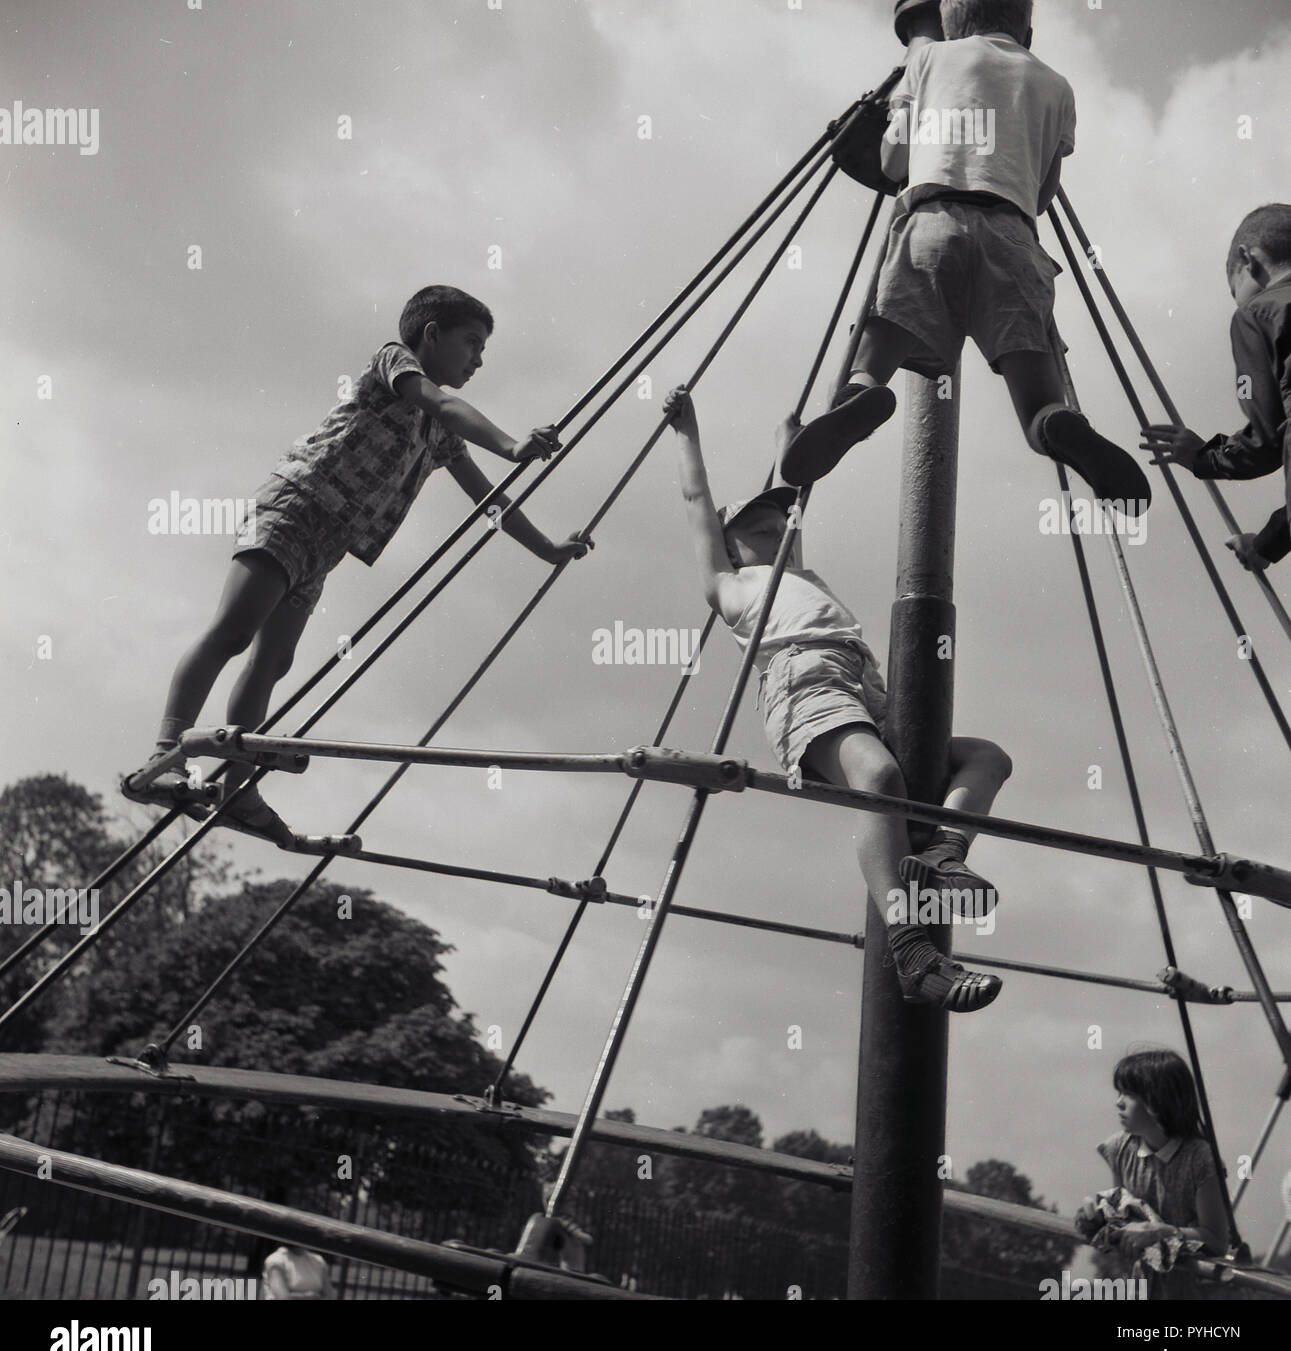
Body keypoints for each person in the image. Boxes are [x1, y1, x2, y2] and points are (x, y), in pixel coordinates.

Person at [121, 285, 588, 844]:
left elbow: (489, 501)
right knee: (233, 634)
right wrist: (513, 445)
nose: (478, 360)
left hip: (327, 543)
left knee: (274, 661)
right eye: (471, 343)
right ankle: (166, 753)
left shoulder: (439, 433)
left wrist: (548, 551)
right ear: (431, 333)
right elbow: (444, 404)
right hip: (296, 507)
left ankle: (238, 788)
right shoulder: (397, 362)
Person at [666, 386, 1012, 1012]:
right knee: (877, 775)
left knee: (986, 757)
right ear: (728, 543)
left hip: (864, 682)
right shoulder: (730, 586)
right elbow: (696, 500)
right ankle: (911, 950)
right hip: (804, 681)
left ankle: (942, 852)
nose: (774, 534)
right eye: (756, 530)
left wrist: (789, 444)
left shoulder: (794, 571)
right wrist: (687, 431)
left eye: (778, 529)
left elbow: (800, 489)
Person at [778, 0, 1151, 514]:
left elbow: (893, 160)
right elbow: (1043, 195)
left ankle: (861, 395)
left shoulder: (928, 60)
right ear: (1029, 31)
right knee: (1041, 399)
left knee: (880, 341)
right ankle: (1059, 424)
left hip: (932, 226)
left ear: (949, 25)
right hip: (1014, 240)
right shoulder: (1056, 85)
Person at [1141, 204, 1291, 571]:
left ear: (1247, 259)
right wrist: (1267, 543)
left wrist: (1203, 457)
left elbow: (1265, 441)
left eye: (1235, 289)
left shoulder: (1257, 313)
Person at [1075, 1047, 1227, 1300]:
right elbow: (1123, 1215)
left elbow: (1216, 1240)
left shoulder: (1200, 1158)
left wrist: (1160, 1231)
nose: (1118, 1102)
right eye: (1119, 1092)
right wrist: (1096, 1220)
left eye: (1129, 1094)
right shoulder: (1120, 1148)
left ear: (1158, 1101)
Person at [261, 1244, 335, 1300]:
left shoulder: (318, 1260)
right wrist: (310, 1296)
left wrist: (295, 1296)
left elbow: (329, 1296)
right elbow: (283, 1297)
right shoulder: (276, 1260)